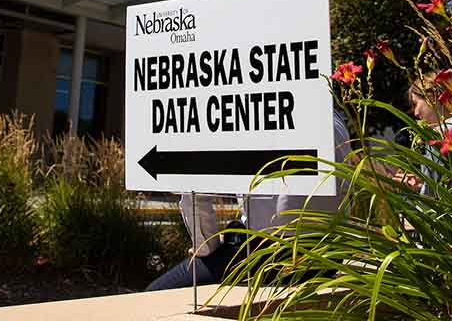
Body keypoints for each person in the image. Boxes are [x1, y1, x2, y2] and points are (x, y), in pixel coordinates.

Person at [144, 107, 352, 291]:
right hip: (329, 257)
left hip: (265, 258)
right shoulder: (335, 121)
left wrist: (206, 248)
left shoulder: (250, 117)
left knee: (153, 295)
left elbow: (196, 190)